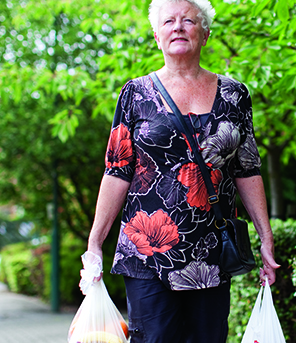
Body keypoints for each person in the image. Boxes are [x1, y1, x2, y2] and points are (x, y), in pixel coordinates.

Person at [84, 0, 279, 341]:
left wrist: (266, 237)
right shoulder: (135, 94)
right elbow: (117, 171)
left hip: (212, 253)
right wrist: (95, 243)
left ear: (205, 34)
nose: (178, 27)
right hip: (147, 255)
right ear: (157, 36)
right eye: (169, 21)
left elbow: (247, 169)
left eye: (188, 20)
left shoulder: (235, 95)